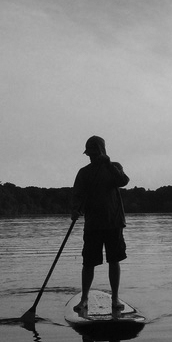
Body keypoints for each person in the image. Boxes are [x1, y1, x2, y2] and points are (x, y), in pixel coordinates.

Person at [71, 135, 130, 315]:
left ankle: (115, 299)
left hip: (113, 222)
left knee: (114, 260)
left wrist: (108, 163)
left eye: (94, 153)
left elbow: (124, 181)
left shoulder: (114, 168)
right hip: (93, 224)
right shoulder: (84, 172)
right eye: (89, 153)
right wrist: (75, 209)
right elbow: (77, 194)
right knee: (88, 262)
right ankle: (84, 299)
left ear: (102, 151)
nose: (91, 156)